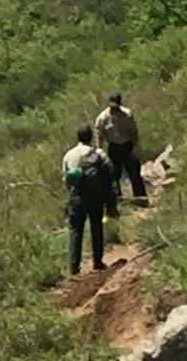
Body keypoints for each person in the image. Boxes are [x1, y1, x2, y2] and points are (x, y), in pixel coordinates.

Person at [63, 124, 114, 275]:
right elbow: (109, 171)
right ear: (90, 137)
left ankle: (74, 266)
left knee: (75, 230)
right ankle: (97, 261)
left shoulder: (69, 155)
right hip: (95, 196)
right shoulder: (97, 152)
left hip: (77, 196)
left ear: (77, 137)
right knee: (96, 227)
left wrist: (72, 194)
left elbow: (66, 178)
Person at [94, 92, 147, 205]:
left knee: (134, 172)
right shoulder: (103, 117)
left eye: (116, 107)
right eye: (112, 106)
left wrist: (134, 147)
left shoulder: (127, 115)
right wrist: (99, 149)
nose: (114, 109)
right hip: (114, 147)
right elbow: (99, 133)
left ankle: (141, 198)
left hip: (127, 146)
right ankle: (116, 199)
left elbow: (133, 132)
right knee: (114, 174)